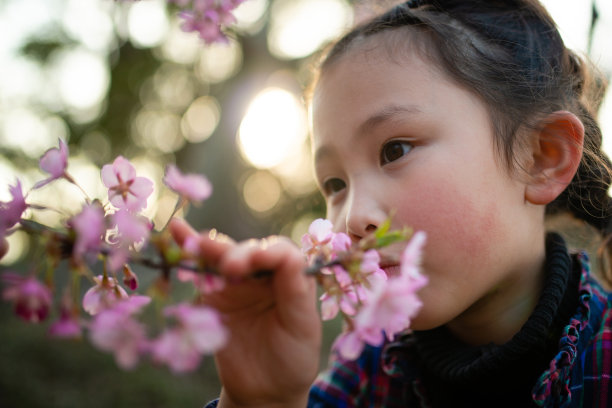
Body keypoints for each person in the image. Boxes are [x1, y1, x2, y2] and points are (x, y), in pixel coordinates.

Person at [170, 0, 612, 406]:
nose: (353, 218)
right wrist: (261, 400)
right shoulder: (364, 375)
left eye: (395, 151)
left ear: (541, 159)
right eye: (334, 183)